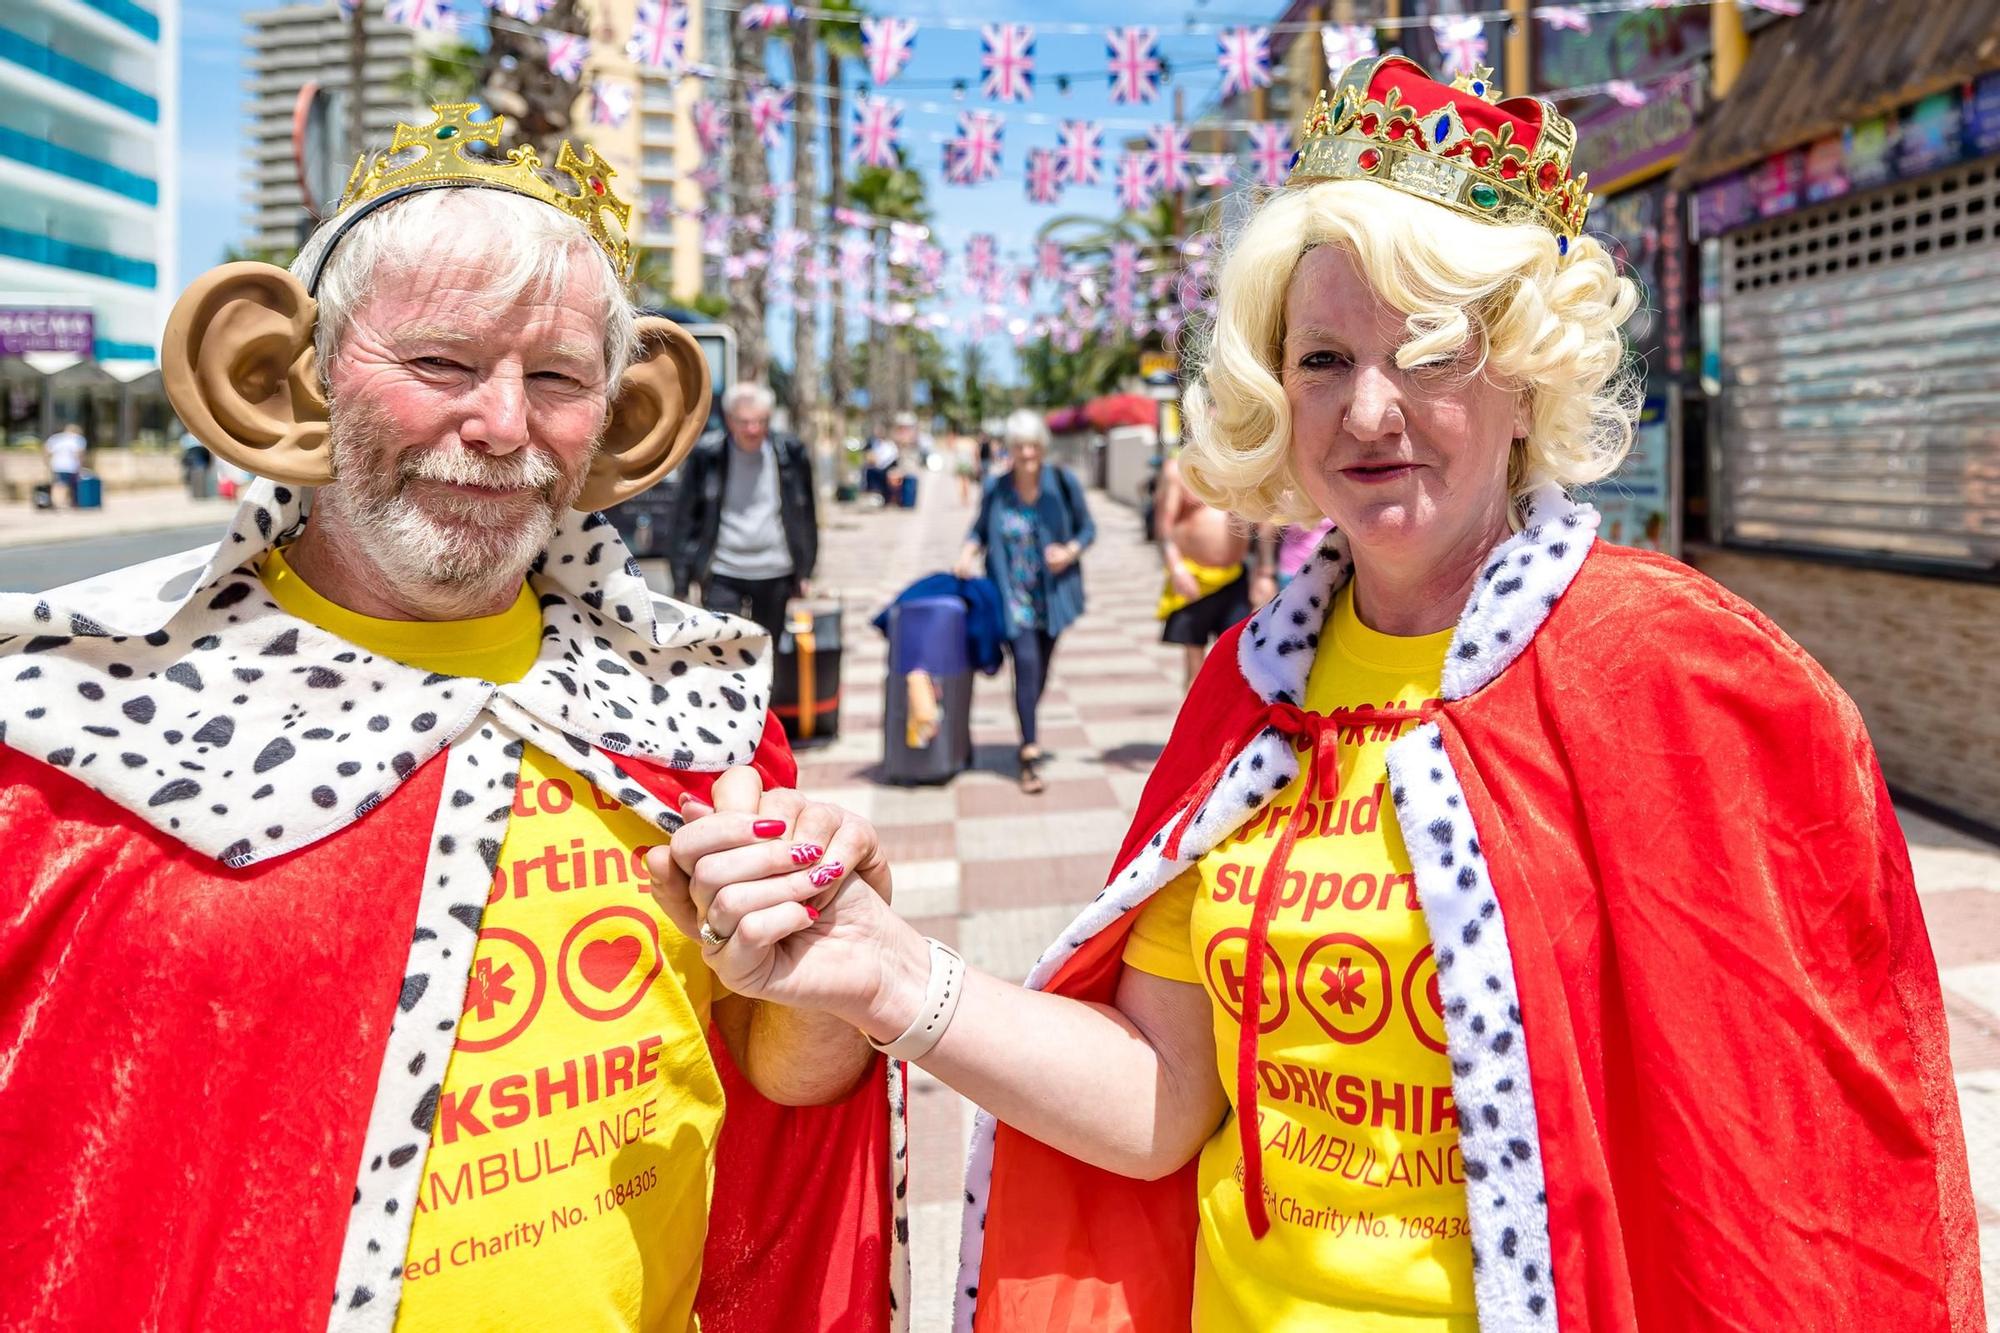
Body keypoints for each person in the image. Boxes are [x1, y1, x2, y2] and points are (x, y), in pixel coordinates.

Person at [662, 56, 1980, 1332]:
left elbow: (1798, 1174)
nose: (1369, 410)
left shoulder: (1685, 677)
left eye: (1431, 350)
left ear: (1525, 375)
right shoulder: (1248, 691)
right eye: (1323, 361)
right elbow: (1166, 1098)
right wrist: (896, 981)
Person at [0, 105, 901, 1332]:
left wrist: (833, 966)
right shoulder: (67, 730)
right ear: (281, 382)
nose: (501, 426)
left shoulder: (701, 712)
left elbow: (786, 1086)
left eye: (556, 379)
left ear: (625, 423)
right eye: (437, 364)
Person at [955, 409, 1094, 795]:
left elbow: (1088, 529)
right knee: (1027, 666)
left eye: (1033, 446)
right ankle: (1029, 751)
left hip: (1052, 598)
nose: (1027, 453)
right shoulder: (997, 489)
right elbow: (980, 529)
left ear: (1042, 447)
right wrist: (966, 554)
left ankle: (1027, 716)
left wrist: (1069, 550)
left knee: (1039, 671)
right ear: (1011, 450)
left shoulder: (1062, 483)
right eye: (1019, 447)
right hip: (1011, 596)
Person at [669, 380, 818, 645]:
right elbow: (686, 517)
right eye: (744, 422)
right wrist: (681, 580)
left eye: (760, 421)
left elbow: (805, 514)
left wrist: (805, 570)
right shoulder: (707, 455)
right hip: (723, 570)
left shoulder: (790, 453)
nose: (753, 429)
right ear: (729, 420)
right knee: (723, 649)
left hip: (775, 570)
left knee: (766, 649)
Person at [1154, 450, 1254, 689]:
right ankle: (1194, 724)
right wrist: (1176, 567)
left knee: (1239, 660)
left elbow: (1265, 521)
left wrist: (1264, 572)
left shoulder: (1243, 467)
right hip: (1195, 578)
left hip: (1234, 576)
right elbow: (1163, 524)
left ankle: (1229, 724)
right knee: (1195, 665)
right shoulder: (1179, 469)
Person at [43, 420, 85, 508]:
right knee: (69, 485)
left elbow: (46, 451)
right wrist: (80, 466)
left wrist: (47, 463)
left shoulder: (55, 438)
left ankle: (55, 502)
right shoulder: (77, 439)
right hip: (71, 466)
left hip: (56, 465)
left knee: (58, 484)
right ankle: (65, 502)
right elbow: (79, 454)